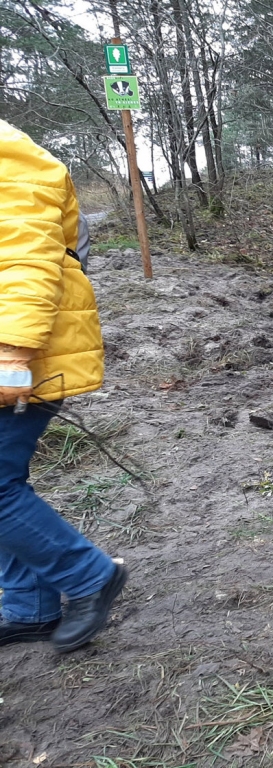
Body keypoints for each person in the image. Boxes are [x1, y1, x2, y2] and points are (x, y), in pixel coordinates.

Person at [0, 119, 128, 653]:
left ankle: (88, 576)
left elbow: (26, 261)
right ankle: (28, 605)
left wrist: (11, 357)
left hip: (19, 357)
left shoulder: (10, 158)